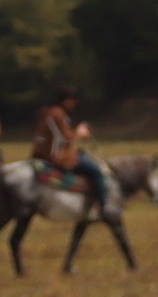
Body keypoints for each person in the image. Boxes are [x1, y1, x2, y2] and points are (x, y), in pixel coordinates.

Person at [32, 88, 116, 218]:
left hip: (42, 152)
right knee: (96, 171)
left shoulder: (47, 112)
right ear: (66, 101)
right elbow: (65, 138)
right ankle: (104, 206)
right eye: (72, 101)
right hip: (57, 156)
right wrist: (81, 132)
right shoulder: (58, 114)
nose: (74, 104)